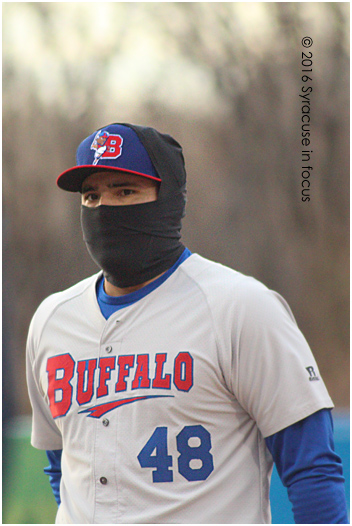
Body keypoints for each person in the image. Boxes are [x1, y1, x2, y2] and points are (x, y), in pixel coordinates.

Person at [26, 123, 348, 524]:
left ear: (169, 200)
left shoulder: (241, 307)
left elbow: (313, 471)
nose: (104, 209)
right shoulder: (52, 321)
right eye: (91, 196)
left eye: (124, 191)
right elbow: (64, 470)